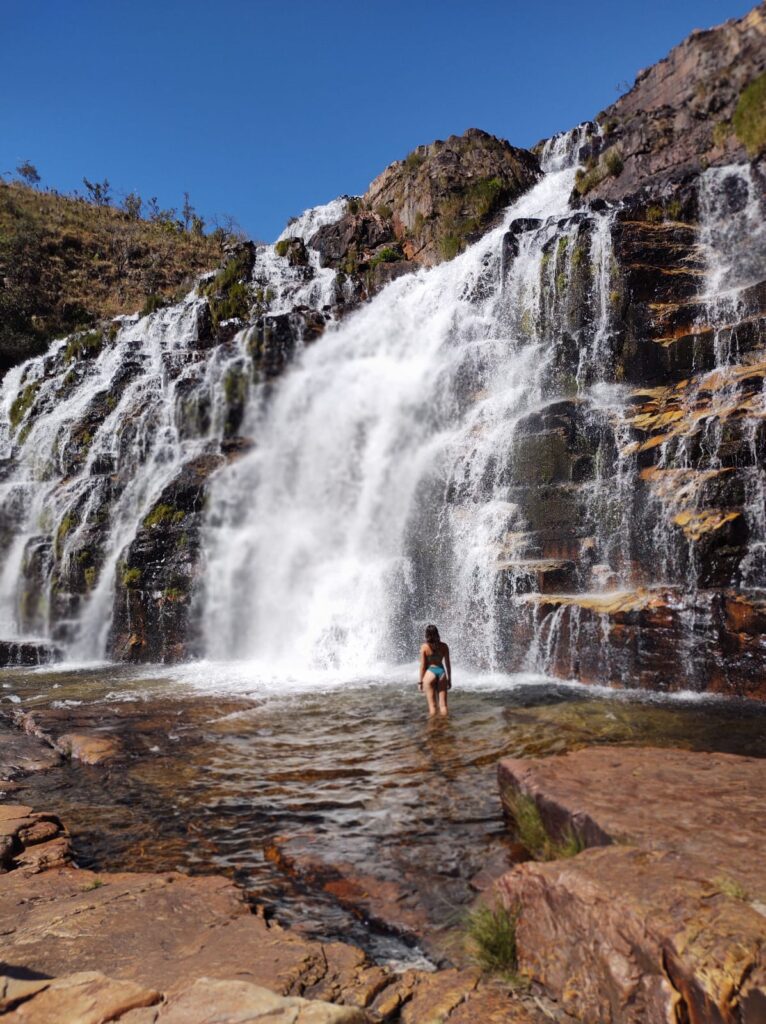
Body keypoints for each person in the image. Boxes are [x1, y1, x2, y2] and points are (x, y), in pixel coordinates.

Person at [419, 624, 451, 717]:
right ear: (437, 633)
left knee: (432, 707)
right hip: (441, 673)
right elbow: (448, 664)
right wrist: (449, 679)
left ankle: (433, 728)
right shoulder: (444, 646)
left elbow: (423, 666)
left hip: (430, 672)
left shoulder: (425, 647)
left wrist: (420, 682)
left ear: (427, 635)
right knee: (443, 706)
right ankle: (445, 725)